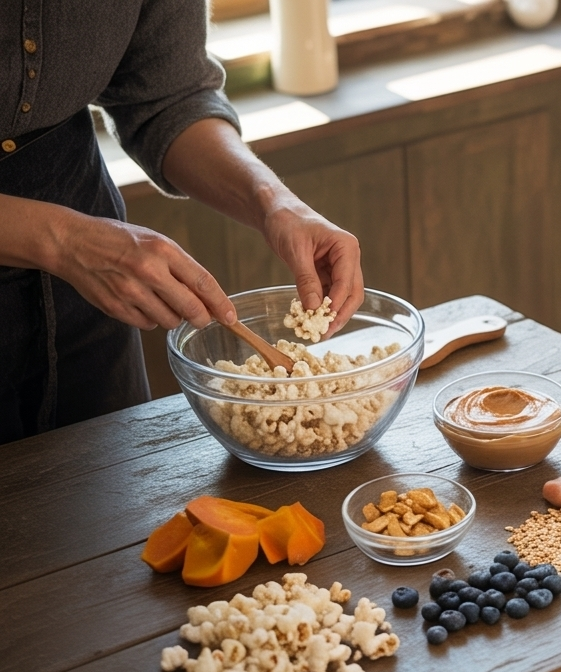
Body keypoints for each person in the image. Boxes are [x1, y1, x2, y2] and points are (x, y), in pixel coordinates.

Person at [0, 1, 364, 445]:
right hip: (87, 248)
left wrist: (274, 203)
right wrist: (60, 240)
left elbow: (167, 97)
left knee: (112, 495)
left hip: (89, 296)